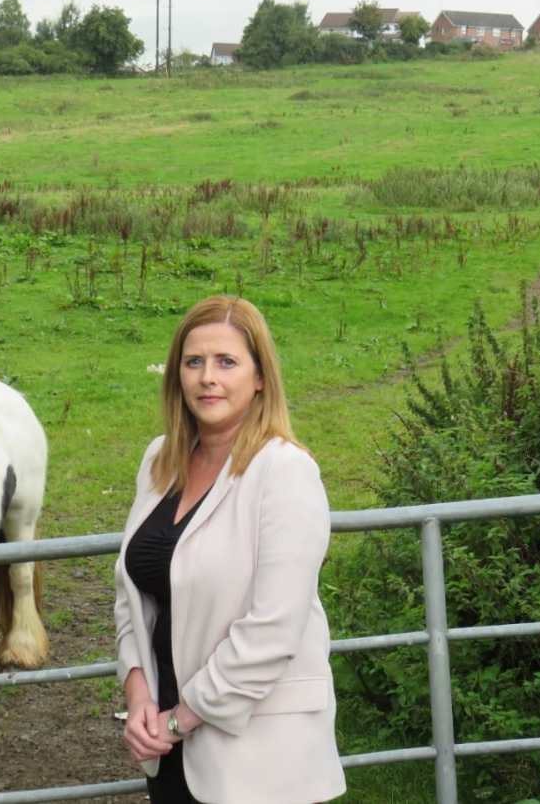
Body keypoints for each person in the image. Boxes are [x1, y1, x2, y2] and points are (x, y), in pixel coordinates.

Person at [114, 295, 347, 804]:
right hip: (165, 745)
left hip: (258, 756)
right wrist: (138, 693)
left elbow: (274, 628)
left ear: (260, 377)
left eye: (226, 362)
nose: (207, 378)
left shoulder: (285, 471)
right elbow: (132, 595)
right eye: (193, 362)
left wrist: (182, 718)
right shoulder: (159, 461)